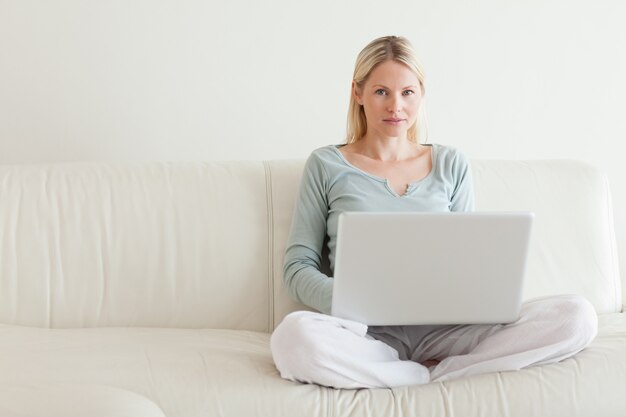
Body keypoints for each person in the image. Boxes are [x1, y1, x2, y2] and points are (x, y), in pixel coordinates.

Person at [270, 35, 597, 389]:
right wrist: (349, 300)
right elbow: (297, 268)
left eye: (407, 93)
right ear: (357, 92)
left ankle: (438, 370)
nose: (396, 106)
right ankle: (418, 374)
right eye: (382, 92)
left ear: (421, 94)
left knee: (577, 317)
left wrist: (481, 295)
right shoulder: (326, 164)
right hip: (366, 335)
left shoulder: (450, 163)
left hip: (448, 332)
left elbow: (467, 261)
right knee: (292, 338)